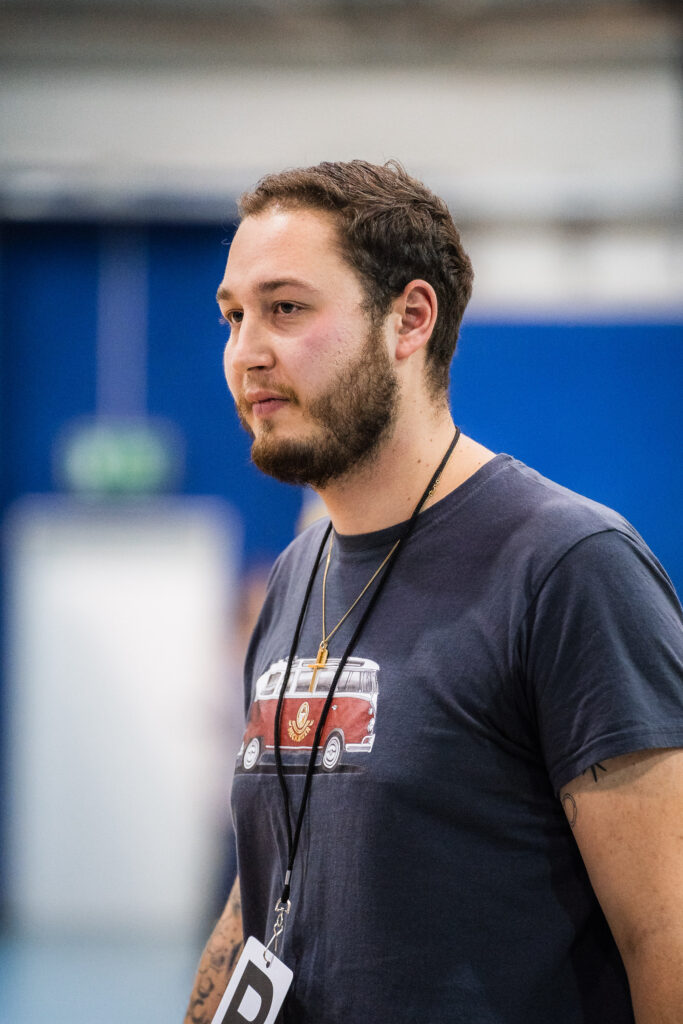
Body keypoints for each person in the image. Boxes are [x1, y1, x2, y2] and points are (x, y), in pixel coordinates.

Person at [184, 160, 683, 1024]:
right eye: (233, 316)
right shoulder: (296, 576)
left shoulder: (567, 568)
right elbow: (264, 885)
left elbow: (665, 935)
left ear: (409, 319)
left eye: (286, 308)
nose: (246, 352)